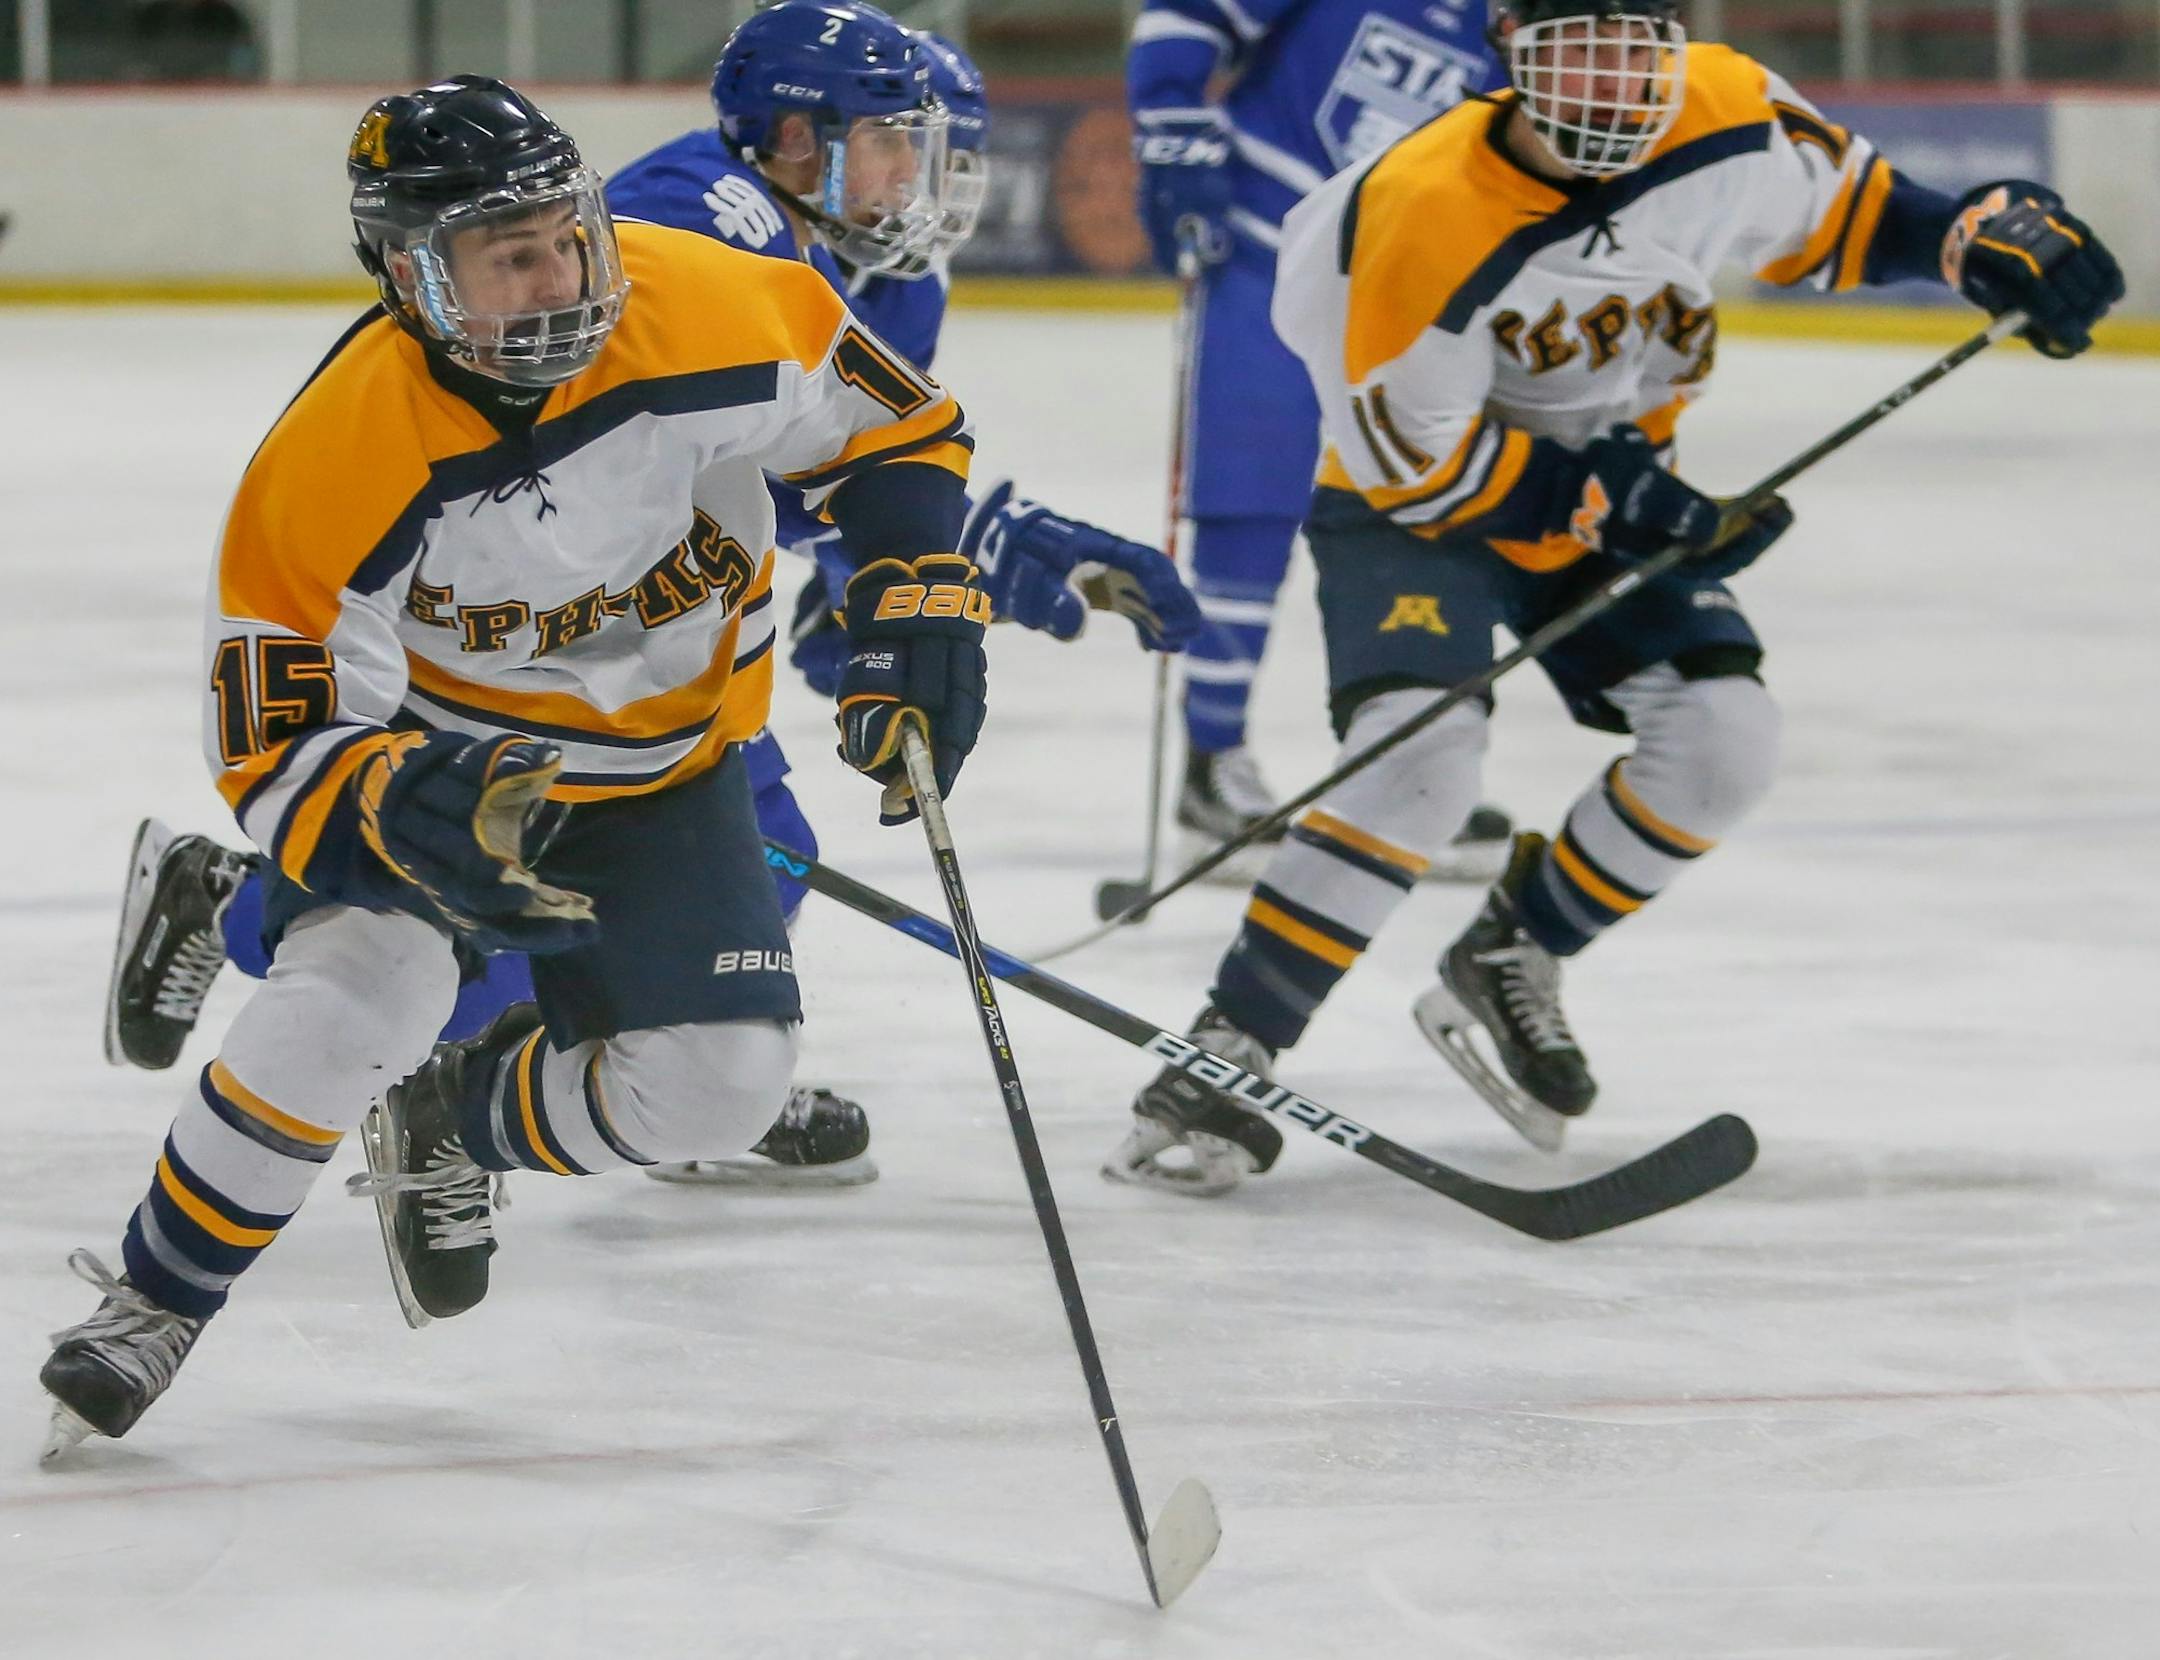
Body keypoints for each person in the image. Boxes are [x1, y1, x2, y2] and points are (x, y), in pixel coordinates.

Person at [42, 73, 990, 1458]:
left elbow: (891, 429)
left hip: (669, 772)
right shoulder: (338, 451)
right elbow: (274, 728)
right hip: (460, 769)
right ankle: (157, 1295)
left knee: (725, 1082)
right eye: (508, 255)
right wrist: (381, 805)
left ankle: (457, 1109)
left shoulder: (711, 303)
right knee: (356, 995)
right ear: (411, 274)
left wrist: (916, 585)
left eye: (568, 234)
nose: (561, 278)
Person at [98, 6, 1201, 1192]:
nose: (913, 176)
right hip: (536, 636)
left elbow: (836, 454)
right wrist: (992, 541)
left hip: (668, 633)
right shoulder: (690, 224)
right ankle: (432, 1042)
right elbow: (627, 437)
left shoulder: (873, 262)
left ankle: (604, 1067)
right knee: (569, 875)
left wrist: (923, 566)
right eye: (890, 141)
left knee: (742, 868)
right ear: (794, 138)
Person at [1103, 0, 2122, 1192]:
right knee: (1418, 765)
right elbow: (1417, 465)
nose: (1612, 83)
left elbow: (1854, 213)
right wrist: (1619, 501)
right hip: (1415, 507)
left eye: (1637, 46)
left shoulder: (1728, 109)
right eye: (1577, 48)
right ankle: (1229, 1048)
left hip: (1605, 473)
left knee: (1725, 743)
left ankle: (1516, 950)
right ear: (1509, 48)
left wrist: (1975, 238)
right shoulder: (1417, 209)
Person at [1127, 0, 1512, 875]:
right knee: (1248, 509)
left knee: (1426, 521)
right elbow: (1188, 16)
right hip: (1271, 248)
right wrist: (1175, 121)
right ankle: (1211, 767)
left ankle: (1420, 774)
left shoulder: (1506, 17)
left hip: (1411, 297)